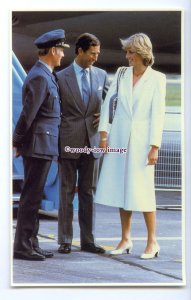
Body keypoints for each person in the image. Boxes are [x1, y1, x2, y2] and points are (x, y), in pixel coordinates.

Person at [94, 33, 166, 259]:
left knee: (143, 190)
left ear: (142, 52)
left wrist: (155, 146)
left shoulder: (158, 78)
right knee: (122, 188)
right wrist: (104, 135)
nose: (127, 56)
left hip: (143, 142)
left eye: (130, 52)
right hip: (119, 137)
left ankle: (152, 242)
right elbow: (108, 104)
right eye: (127, 52)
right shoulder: (122, 74)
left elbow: (158, 114)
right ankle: (125, 239)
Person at [13, 29, 69, 261]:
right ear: (53, 50)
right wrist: (16, 141)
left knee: (34, 197)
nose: (63, 56)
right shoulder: (39, 76)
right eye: (61, 51)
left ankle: (31, 243)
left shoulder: (45, 75)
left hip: (43, 144)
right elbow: (28, 114)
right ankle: (22, 247)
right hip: (37, 145)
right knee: (31, 198)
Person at [57, 33, 109, 254]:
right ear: (80, 51)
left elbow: (111, 103)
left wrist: (106, 116)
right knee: (66, 192)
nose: (95, 58)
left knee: (88, 193)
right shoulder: (60, 77)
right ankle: (65, 240)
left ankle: (88, 241)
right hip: (69, 141)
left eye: (98, 54)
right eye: (92, 54)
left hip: (93, 141)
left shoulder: (101, 75)